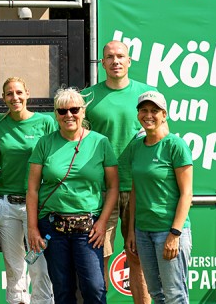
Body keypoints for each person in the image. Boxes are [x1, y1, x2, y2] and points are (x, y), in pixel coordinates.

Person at [27, 87, 119, 304]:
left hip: (88, 229)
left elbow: (113, 187)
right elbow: (32, 189)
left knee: (95, 288)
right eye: (62, 111)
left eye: (74, 109)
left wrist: (103, 222)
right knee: (62, 289)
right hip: (52, 227)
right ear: (56, 115)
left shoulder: (100, 142)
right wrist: (32, 228)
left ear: (83, 112)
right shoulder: (45, 143)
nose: (69, 115)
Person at [83, 40, 155, 302]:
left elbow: (159, 139)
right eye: (110, 57)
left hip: (140, 190)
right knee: (98, 257)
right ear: (102, 62)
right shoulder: (87, 98)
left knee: (137, 257)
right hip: (103, 191)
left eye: (120, 56)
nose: (115, 61)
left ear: (129, 61)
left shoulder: (148, 94)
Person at [0, 77, 56, 304]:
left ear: (27, 93)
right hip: (7, 204)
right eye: (9, 93)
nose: (15, 97)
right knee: (14, 266)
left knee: (39, 266)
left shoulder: (45, 123)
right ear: (3, 98)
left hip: (37, 206)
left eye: (19, 92)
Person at [124, 91, 193, 304]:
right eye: (143, 110)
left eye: (154, 111)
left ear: (164, 115)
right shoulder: (136, 146)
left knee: (175, 295)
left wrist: (175, 234)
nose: (148, 115)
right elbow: (135, 190)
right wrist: (132, 231)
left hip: (168, 231)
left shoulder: (175, 145)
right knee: (156, 295)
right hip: (143, 233)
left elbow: (186, 193)